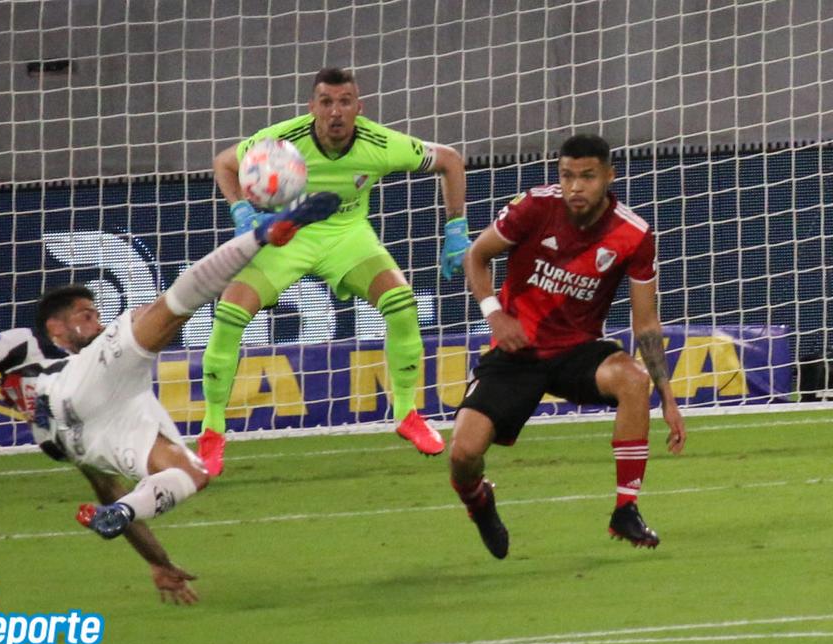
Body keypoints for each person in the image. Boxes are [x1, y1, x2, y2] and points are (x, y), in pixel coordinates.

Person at [0, 193, 340, 603]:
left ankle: (128, 514)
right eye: (86, 315)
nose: (96, 321)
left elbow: (105, 489)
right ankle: (262, 236)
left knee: (193, 473)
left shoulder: (90, 376)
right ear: (56, 328)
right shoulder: (25, 345)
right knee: (167, 309)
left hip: (87, 435)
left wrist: (157, 561)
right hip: (67, 389)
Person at [198, 67, 472, 475]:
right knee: (229, 314)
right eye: (326, 102)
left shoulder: (380, 144)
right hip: (289, 234)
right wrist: (241, 212)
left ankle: (406, 413)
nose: (335, 112)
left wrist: (456, 228)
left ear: (359, 108)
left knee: (402, 303)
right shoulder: (281, 141)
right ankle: (212, 432)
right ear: (312, 107)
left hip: (347, 236)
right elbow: (224, 163)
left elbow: (449, 160)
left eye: (345, 102)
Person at [450, 133, 687, 559]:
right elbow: (476, 255)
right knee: (463, 454)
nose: (575, 186)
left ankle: (625, 508)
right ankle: (478, 500)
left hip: (577, 352)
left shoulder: (634, 234)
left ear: (609, 177)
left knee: (633, 380)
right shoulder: (534, 207)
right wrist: (495, 314)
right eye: (567, 176)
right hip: (518, 351)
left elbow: (646, 323)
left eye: (587, 177)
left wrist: (668, 399)